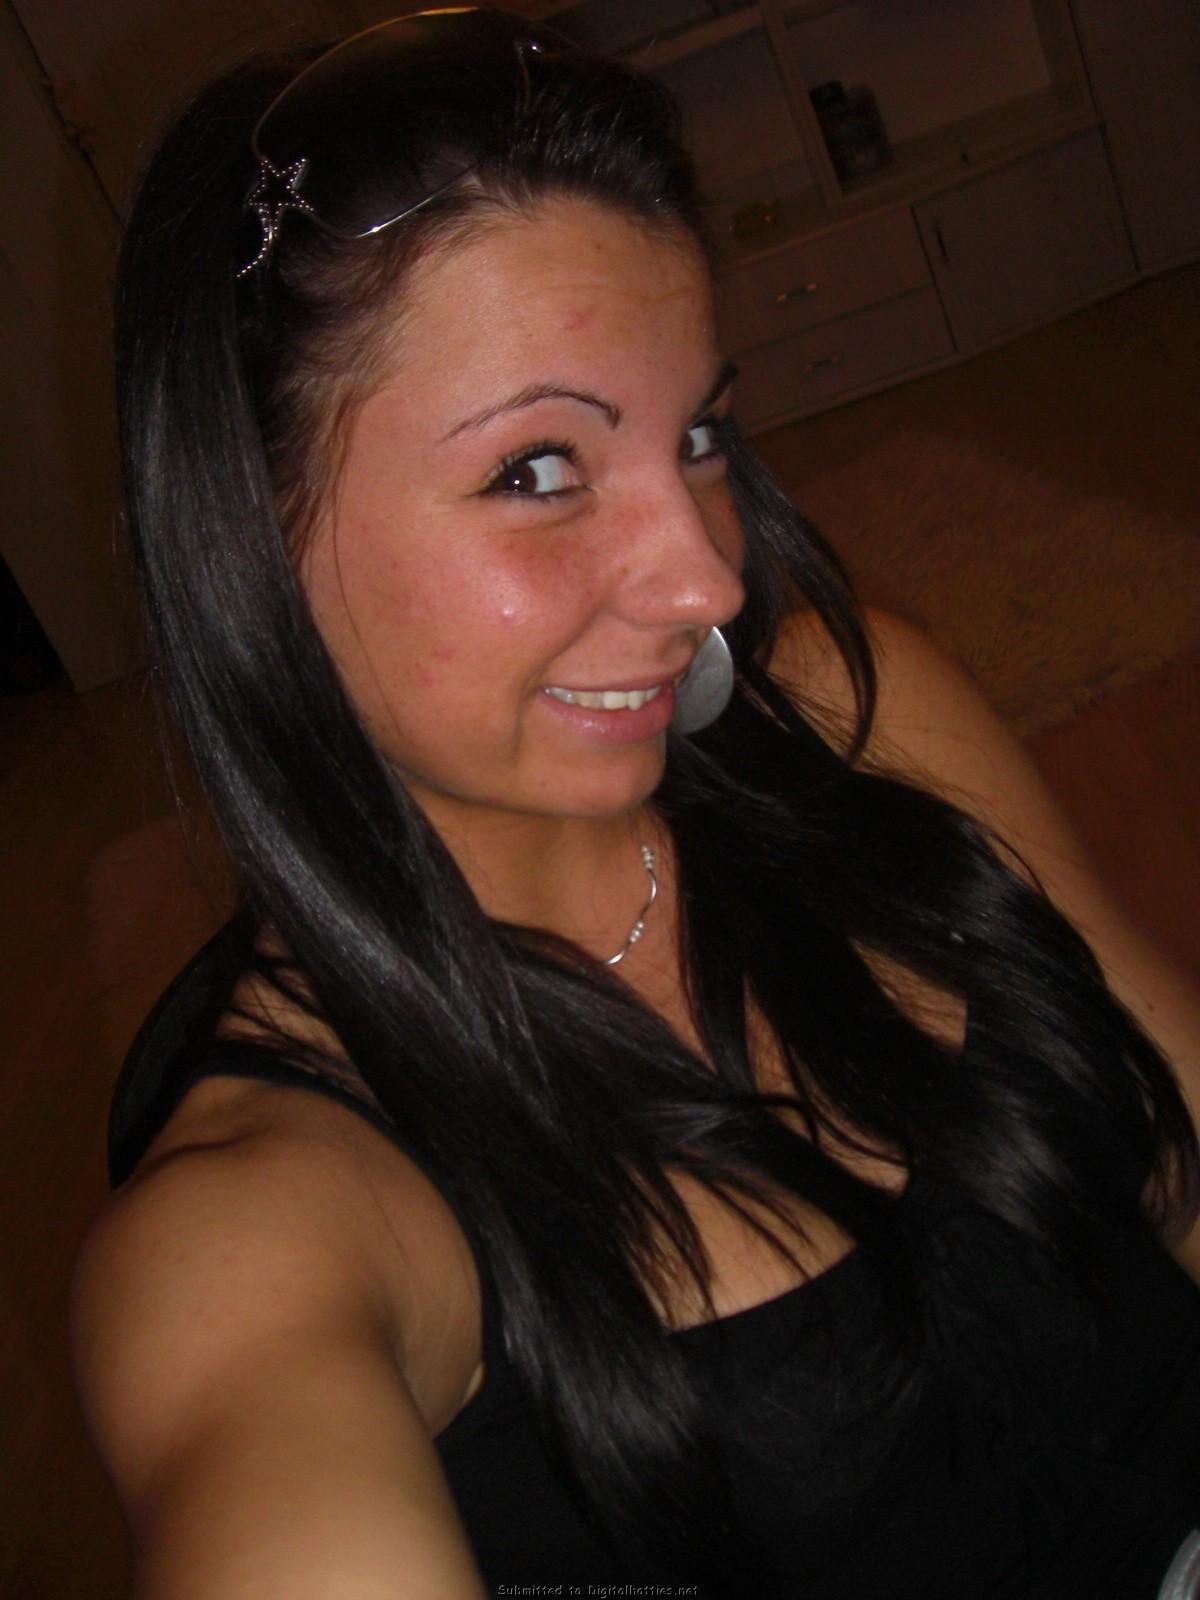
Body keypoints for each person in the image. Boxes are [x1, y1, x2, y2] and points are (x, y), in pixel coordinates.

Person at [71, 9, 1200, 1597]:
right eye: (537, 469)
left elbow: (1180, 1138)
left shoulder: (863, 716)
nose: (708, 580)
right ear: (247, 535)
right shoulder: (269, 1217)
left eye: (699, 435)